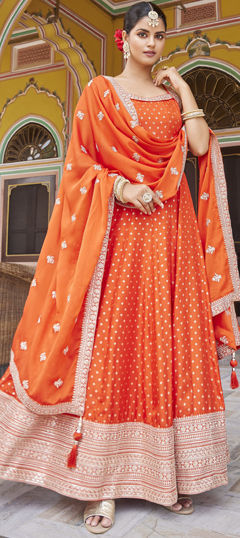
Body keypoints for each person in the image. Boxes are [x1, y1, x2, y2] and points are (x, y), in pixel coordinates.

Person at [0, 1, 239, 534]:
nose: (152, 42)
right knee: (115, 347)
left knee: (167, 347)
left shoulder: (171, 97)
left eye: (159, 34)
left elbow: (200, 146)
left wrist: (185, 89)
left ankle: (167, 475)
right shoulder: (100, 93)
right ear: (122, 37)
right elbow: (79, 168)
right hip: (119, 238)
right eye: (143, 33)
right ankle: (101, 485)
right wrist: (121, 186)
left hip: (171, 241)